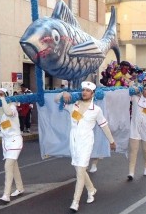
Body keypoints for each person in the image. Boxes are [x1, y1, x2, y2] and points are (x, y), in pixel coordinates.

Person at [55, 81, 116, 212]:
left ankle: (75, 202)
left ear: (93, 93)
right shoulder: (74, 105)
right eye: (83, 90)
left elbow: (104, 126)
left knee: (80, 172)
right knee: (79, 170)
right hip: (74, 142)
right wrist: (62, 93)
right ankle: (91, 189)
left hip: (86, 142)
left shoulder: (96, 110)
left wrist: (111, 141)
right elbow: (56, 100)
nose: (84, 92)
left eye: (88, 90)